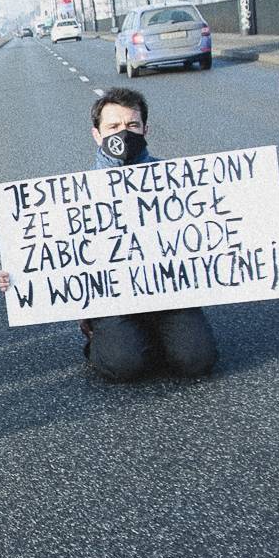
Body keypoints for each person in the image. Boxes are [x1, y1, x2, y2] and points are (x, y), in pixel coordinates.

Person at [81, 88, 218, 381]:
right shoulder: (77, 194)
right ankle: (104, 338)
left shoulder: (175, 179)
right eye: (113, 127)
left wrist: (268, 238)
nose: (124, 133)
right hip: (114, 299)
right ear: (97, 134)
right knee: (124, 365)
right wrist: (17, 276)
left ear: (145, 129)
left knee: (197, 361)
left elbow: (211, 230)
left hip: (168, 292)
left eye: (132, 125)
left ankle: (158, 334)